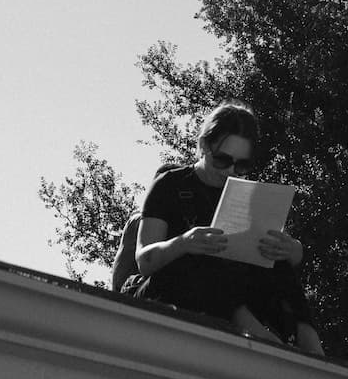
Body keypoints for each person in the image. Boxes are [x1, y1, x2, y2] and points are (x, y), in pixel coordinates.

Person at [123, 102, 324, 354]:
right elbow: (145, 261)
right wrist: (183, 242)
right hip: (166, 289)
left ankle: (312, 346)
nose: (230, 171)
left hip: (227, 291)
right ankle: (260, 336)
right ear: (204, 146)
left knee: (274, 256)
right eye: (222, 160)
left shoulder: (246, 194)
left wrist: (291, 249)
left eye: (241, 165)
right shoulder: (170, 185)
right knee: (202, 252)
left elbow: (282, 259)